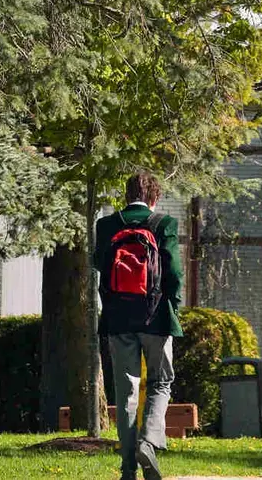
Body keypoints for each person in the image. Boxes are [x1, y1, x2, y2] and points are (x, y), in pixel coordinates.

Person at [93, 171, 183, 480]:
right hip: (156, 317)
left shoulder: (106, 225)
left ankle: (128, 467)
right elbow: (173, 271)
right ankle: (149, 442)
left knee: (126, 391)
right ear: (154, 197)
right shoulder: (163, 224)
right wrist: (175, 307)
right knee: (160, 382)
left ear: (126, 193)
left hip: (118, 320)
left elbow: (98, 264)